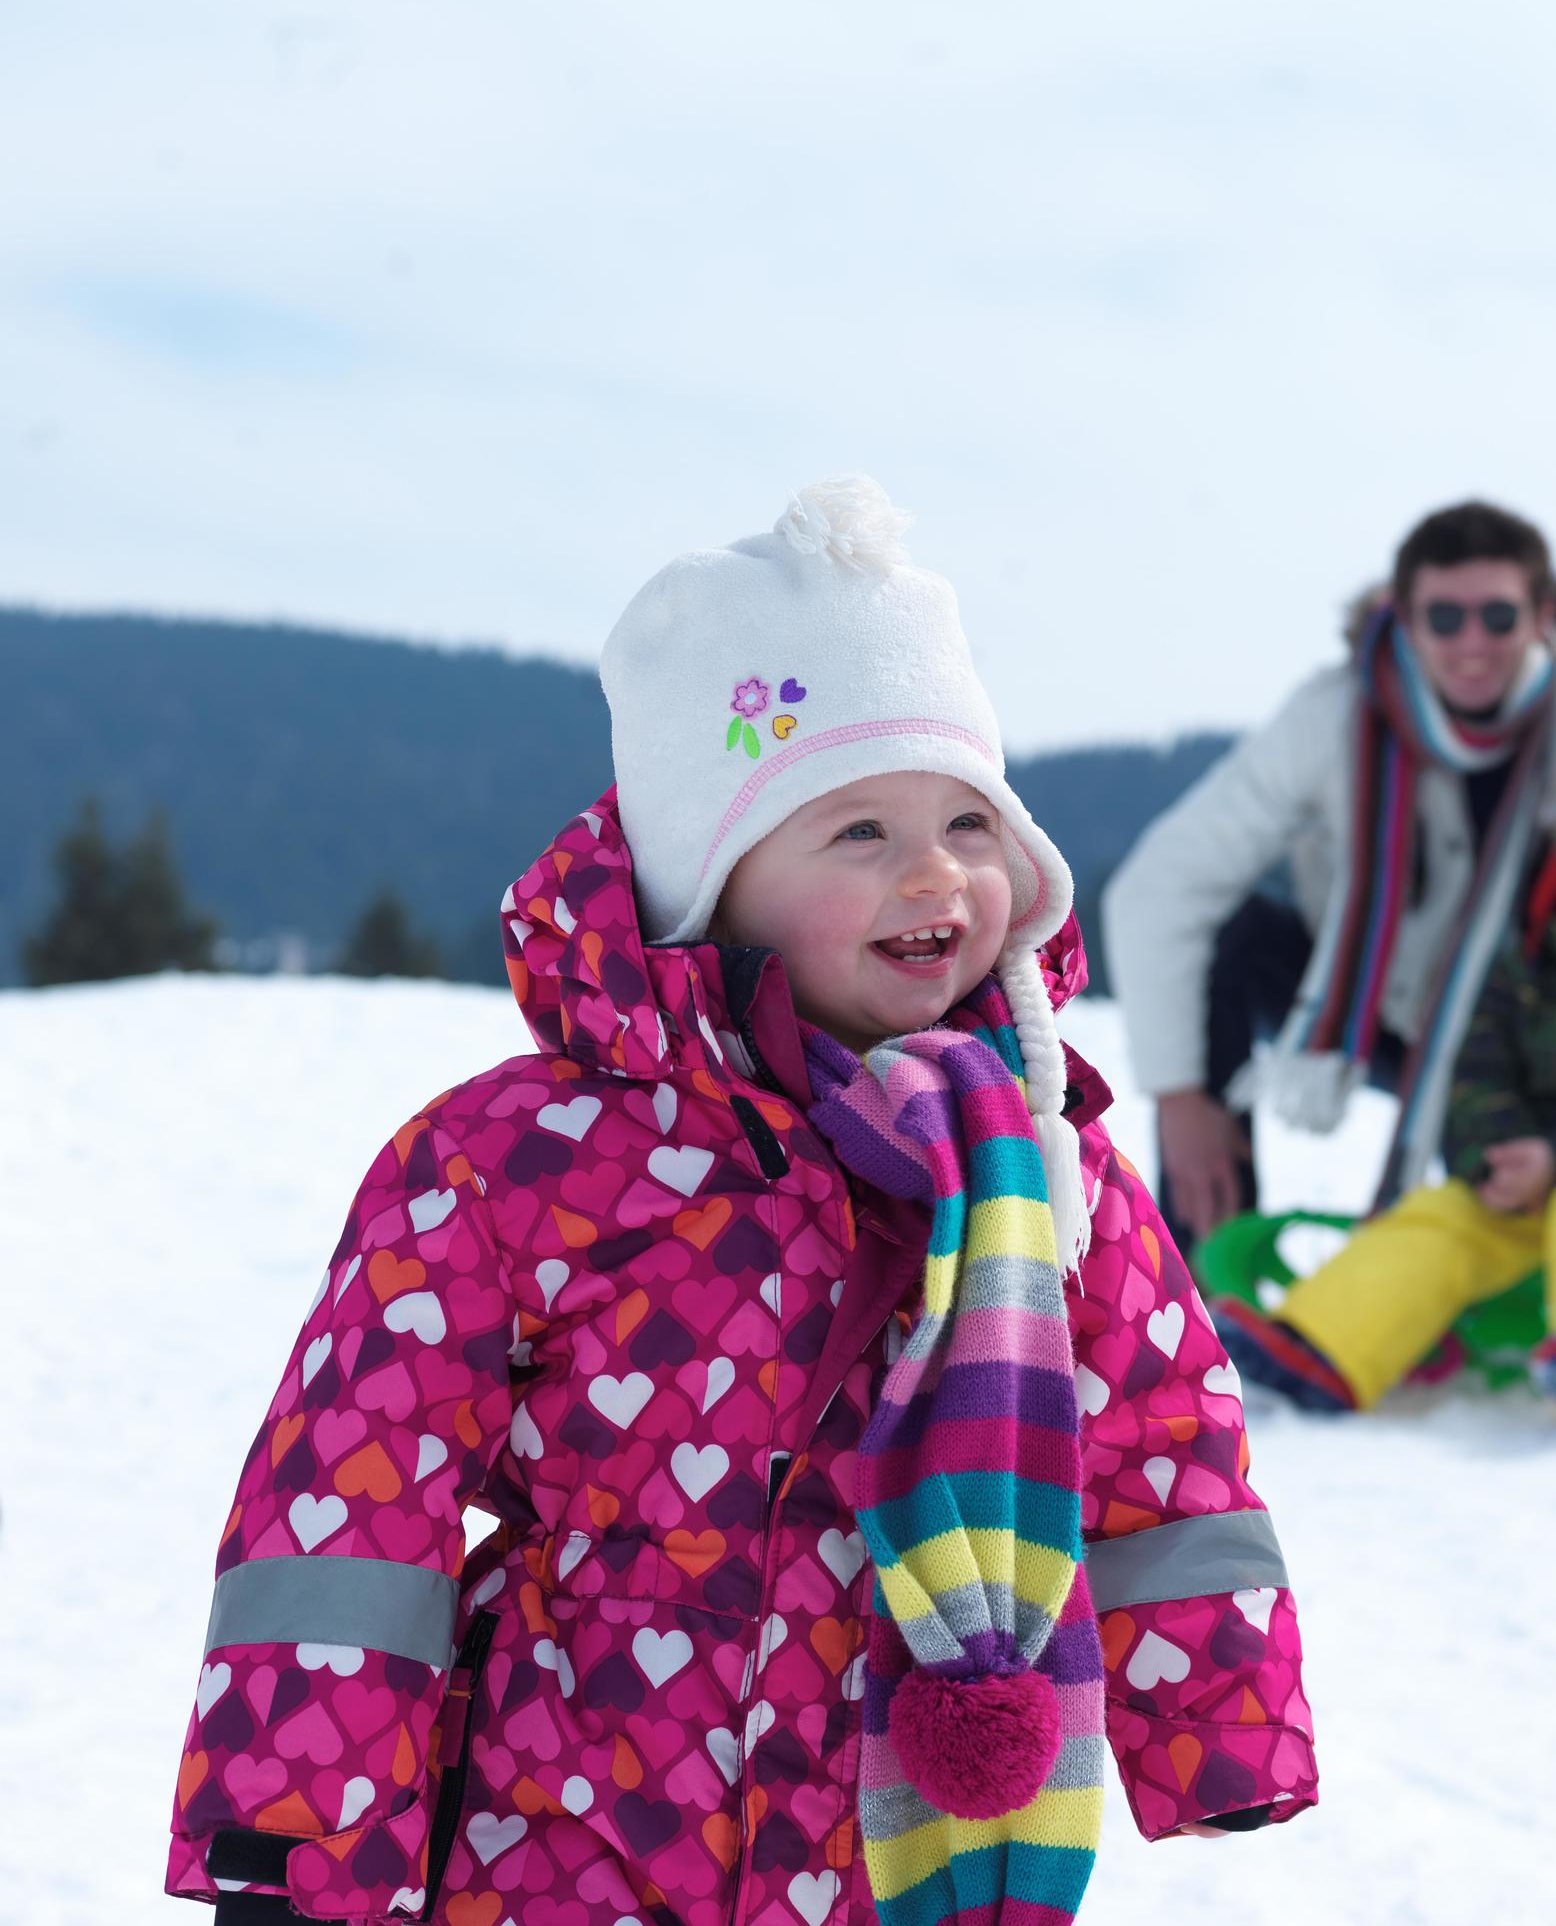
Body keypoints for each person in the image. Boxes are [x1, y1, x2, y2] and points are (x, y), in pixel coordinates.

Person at [164, 477, 1316, 1926]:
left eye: (969, 819)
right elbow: (349, 1499)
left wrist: (1216, 1720)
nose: (934, 870)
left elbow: (1161, 1445)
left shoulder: (1044, 1155)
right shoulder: (517, 1160)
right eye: (854, 832)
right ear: (708, 881)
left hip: (902, 1838)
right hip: (567, 1823)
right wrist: (293, 1833)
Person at [1104, 500, 1556, 1248]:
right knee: (1231, 938)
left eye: (1497, 617)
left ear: (1541, 617)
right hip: (1364, 1003)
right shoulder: (1335, 715)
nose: (1472, 642)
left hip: (1510, 1026)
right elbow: (1160, 887)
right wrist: (1180, 1099)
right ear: (1403, 618)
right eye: (1444, 618)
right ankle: (1205, 1273)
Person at [1208, 755, 1556, 1433]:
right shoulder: (1519, 968)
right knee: (1444, 1215)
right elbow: (1475, 1079)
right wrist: (1496, 1160)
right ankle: (1321, 1344)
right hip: (1532, 1177)